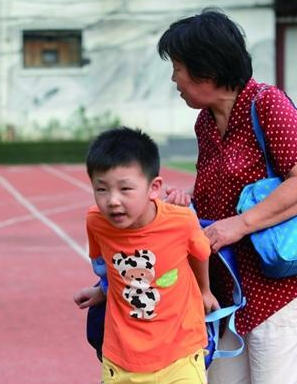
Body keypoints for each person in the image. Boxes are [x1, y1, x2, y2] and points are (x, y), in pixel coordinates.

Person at [158, 8, 297, 384]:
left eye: (179, 67)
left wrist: (240, 225)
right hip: (227, 289)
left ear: (207, 70)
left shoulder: (267, 104)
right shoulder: (205, 121)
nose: (174, 78)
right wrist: (183, 201)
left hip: (279, 285)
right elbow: (218, 192)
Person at [73, 126, 218, 384]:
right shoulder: (96, 221)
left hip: (180, 355)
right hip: (122, 360)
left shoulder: (181, 221)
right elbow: (108, 266)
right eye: (101, 189)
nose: (112, 201)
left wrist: (205, 291)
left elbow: (201, 252)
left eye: (125, 189)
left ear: (154, 188)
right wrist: (103, 290)